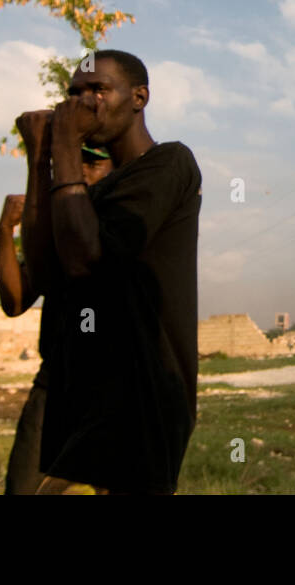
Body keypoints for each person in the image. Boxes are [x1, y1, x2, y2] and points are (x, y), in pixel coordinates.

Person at [24, 49, 202, 495]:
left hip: (141, 398)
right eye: (74, 94)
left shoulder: (170, 163)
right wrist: (37, 162)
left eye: (97, 90)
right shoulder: (94, 193)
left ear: (139, 97)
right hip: (85, 393)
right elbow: (46, 275)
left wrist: (64, 142)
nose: (81, 105)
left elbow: (86, 257)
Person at [0, 145, 112, 495]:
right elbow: (15, 301)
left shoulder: (126, 218)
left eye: (94, 163)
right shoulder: (57, 229)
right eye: (77, 163)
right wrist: (6, 230)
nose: (83, 171)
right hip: (56, 387)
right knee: (24, 489)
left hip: (117, 389)